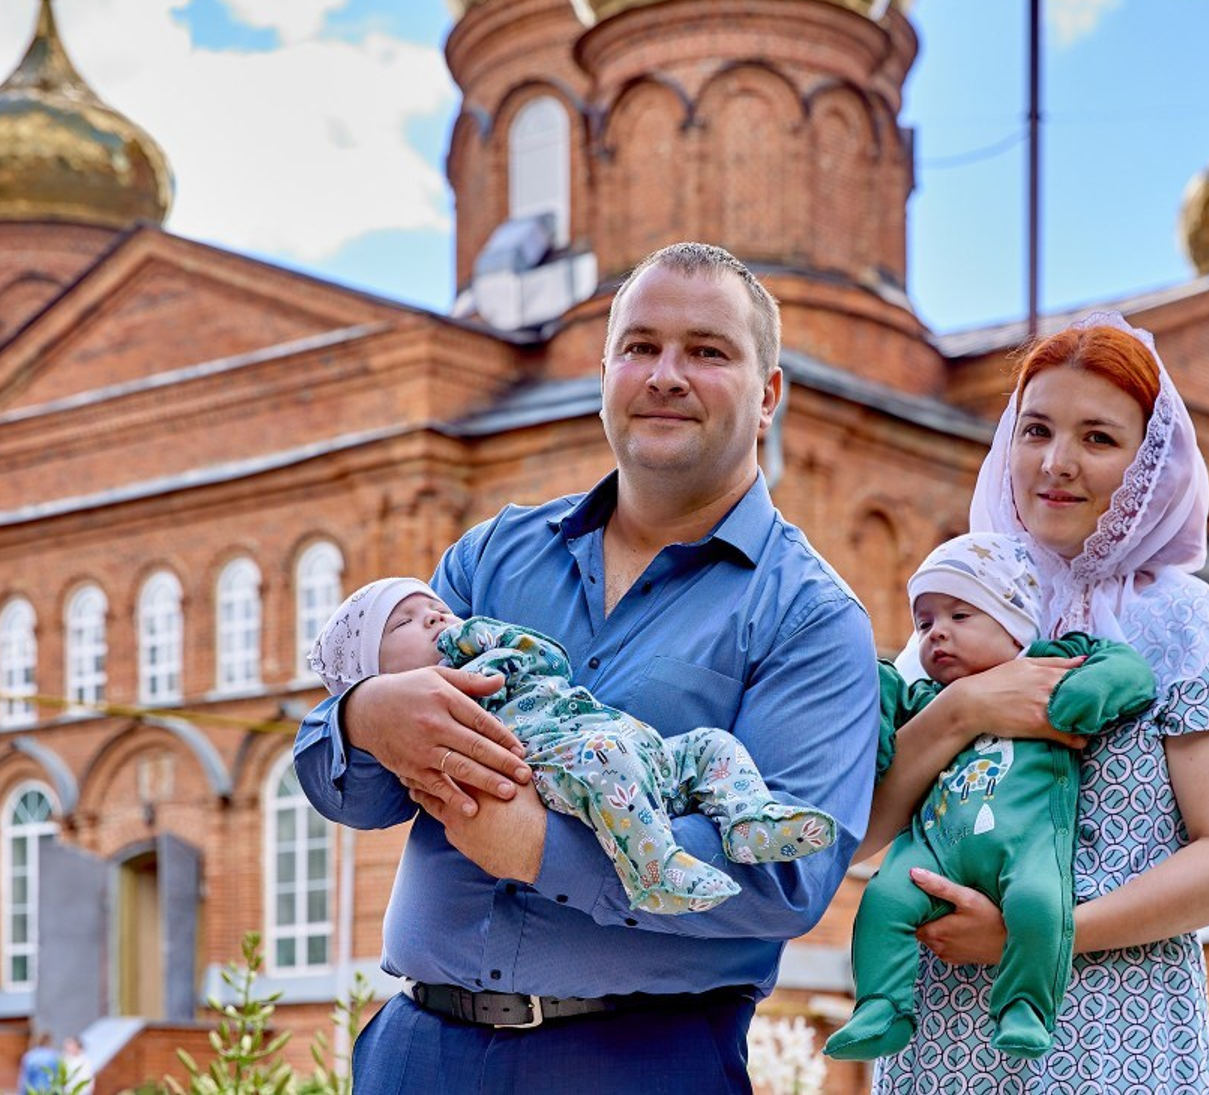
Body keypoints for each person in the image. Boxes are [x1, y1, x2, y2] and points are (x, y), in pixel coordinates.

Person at [293, 242, 880, 1094]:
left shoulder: (810, 619)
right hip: (418, 1052)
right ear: (604, 372)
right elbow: (349, 789)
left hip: (637, 1061)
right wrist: (365, 717)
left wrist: (542, 851)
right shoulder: (491, 556)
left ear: (769, 395)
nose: (665, 375)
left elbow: (786, 881)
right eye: (640, 347)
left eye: (707, 351)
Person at [860, 311, 1209, 1093]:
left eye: (1098, 438)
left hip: (1108, 1040)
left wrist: (1033, 936)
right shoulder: (953, 613)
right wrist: (964, 710)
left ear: (1150, 465)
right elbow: (858, 834)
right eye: (1036, 430)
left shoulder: (1182, 622)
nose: (1056, 463)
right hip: (941, 1050)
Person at [308, 576, 836, 914]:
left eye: (438, 609)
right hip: (564, 762)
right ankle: (653, 870)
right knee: (607, 761)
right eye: (404, 622)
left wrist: (488, 638)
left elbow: (549, 659)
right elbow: (363, 793)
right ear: (374, 674)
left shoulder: (492, 655)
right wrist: (366, 714)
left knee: (711, 746)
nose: (436, 617)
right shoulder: (439, 715)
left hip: (635, 750)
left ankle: (747, 820)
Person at [824, 531, 1155, 1062]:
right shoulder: (926, 699)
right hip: (934, 845)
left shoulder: (1051, 664)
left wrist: (1083, 695)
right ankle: (880, 1006)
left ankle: (1024, 1005)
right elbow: (881, 715)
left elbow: (1127, 671)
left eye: (960, 616)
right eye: (925, 622)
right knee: (883, 900)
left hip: (1024, 844)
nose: (937, 635)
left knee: (1039, 903)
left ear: (1014, 621)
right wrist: (879, 701)